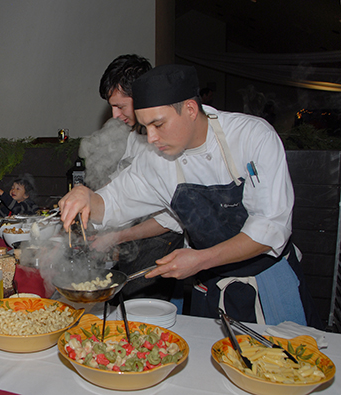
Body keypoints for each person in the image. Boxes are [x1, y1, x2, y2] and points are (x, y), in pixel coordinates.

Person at [60, 64, 322, 328]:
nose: (150, 138)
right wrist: (86, 197)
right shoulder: (157, 160)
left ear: (190, 109)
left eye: (158, 124)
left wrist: (201, 259)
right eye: (145, 127)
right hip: (209, 288)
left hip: (267, 285)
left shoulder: (252, 137)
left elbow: (271, 227)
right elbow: (114, 202)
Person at [85, 54, 185, 303]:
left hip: (163, 244)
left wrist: (116, 237)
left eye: (120, 105)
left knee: (138, 309)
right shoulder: (134, 137)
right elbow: (120, 185)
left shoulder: (167, 144)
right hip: (139, 240)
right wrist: (88, 203)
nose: (115, 115)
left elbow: (170, 221)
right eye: (111, 106)